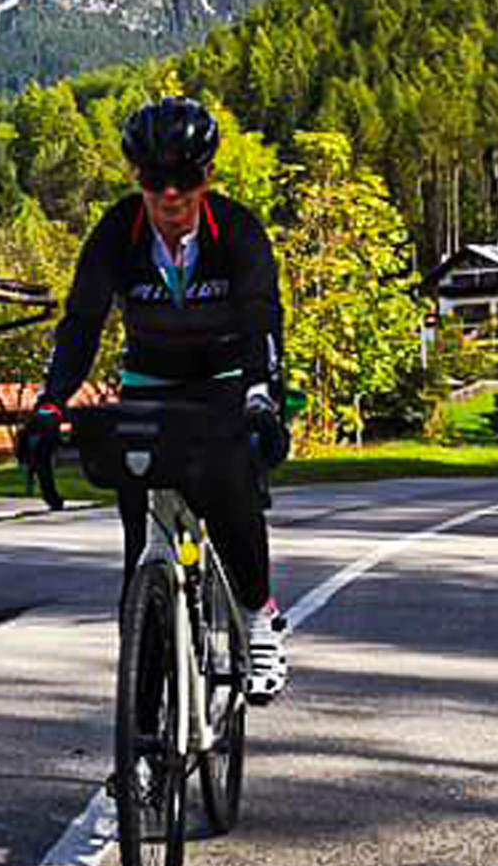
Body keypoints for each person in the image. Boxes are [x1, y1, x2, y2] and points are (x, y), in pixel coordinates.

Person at [18, 94, 294, 701]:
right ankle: (143, 745)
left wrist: (262, 398)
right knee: (139, 555)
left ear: (208, 177)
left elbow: (261, 322)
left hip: (227, 383)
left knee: (229, 491)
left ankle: (257, 613)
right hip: (150, 387)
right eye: (154, 178)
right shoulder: (119, 230)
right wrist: (49, 404)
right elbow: (82, 323)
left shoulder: (238, 232)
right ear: (136, 178)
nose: (170, 194)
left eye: (185, 178)